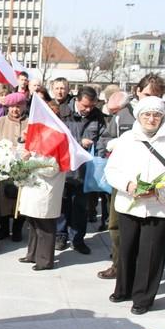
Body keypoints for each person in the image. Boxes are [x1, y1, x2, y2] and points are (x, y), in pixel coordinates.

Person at [105, 96, 165, 315]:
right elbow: (111, 170)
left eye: (156, 115)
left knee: (151, 253)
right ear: (139, 115)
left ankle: (143, 298)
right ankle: (123, 288)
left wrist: (160, 190)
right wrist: (129, 185)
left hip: (159, 205)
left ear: (163, 117)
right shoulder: (127, 138)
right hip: (129, 202)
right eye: (147, 114)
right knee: (126, 249)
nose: (151, 119)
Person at [55, 86, 106, 254]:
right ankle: (60, 236)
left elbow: (103, 137)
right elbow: (58, 137)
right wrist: (78, 142)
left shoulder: (97, 116)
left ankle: (77, 239)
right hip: (65, 166)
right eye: (85, 106)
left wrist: (99, 154)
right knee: (63, 204)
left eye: (91, 106)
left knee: (80, 206)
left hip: (85, 169)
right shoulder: (62, 112)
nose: (88, 109)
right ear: (76, 100)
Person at [95, 91, 135, 279]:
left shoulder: (131, 115)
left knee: (121, 225)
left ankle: (124, 266)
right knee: (116, 224)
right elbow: (105, 139)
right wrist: (109, 147)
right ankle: (120, 264)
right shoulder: (119, 117)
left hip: (139, 182)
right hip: (121, 179)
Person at [17, 149, 65, 271]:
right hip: (34, 189)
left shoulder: (57, 147)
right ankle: (32, 254)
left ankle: (45, 260)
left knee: (45, 226)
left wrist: (31, 161)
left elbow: (51, 169)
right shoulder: (38, 146)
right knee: (33, 224)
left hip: (46, 190)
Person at [0, 92, 28, 241]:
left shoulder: (30, 122)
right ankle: (4, 228)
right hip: (4, 168)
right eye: (12, 106)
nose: (15, 109)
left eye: (18, 106)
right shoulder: (0, 122)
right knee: (3, 199)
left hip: (24, 168)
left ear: (24, 106)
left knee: (21, 199)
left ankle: (18, 229)